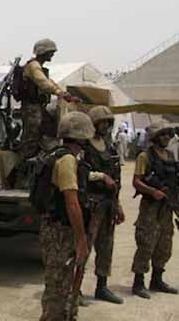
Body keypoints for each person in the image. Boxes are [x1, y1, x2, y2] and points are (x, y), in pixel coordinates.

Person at [37, 111, 93, 321]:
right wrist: (81, 240)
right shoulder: (67, 160)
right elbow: (71, 202)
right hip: (60, 231)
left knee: (62, 284)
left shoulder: (56, 154)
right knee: (58, 289)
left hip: (54, 228)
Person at [130, 121, 178, 299]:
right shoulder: (145, 156)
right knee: (146, 244)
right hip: (150, 207)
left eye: (168, 134)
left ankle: (157, 280)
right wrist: (153, 191)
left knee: (164, 244)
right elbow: (136, 181)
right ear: (155, 137)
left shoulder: (171, 156)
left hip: (167, 208)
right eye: (163, 134)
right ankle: (138, 282)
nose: (166, 137)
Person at [83, 106, 125, 304]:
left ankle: (102, 286)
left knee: (106, 247)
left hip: (108, 204)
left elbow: (116, 177)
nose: (106, 126)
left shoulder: (109, 146)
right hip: (91, 204)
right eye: (102, 122)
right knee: (84, 247)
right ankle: (76, 288)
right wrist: (100, 176)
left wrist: (118, 205)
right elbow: (79, 172)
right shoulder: (84, 146)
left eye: (109, 122)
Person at [20, 38, 79, 159]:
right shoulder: (33, 66)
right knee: (32, 136)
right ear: (43, 51)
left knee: (44, 131)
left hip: (38, 106)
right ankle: (25, 161)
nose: (52, 54)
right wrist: (59, 92)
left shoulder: (38, 66)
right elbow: (43, 83)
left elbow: (49, 82)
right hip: (32, 107)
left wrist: (65, 94)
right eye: (51, 51)